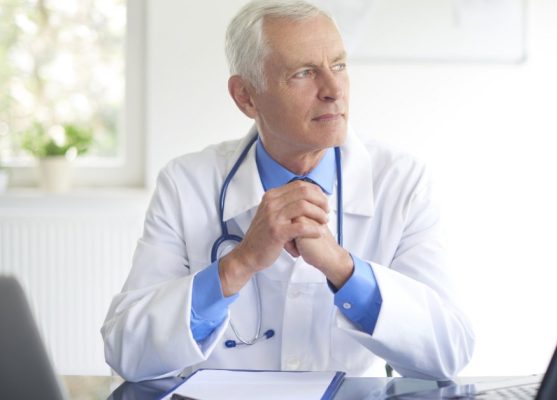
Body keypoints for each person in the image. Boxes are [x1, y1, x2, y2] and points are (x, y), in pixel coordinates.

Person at [101, 0, 475, 383]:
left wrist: (344, 270)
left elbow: (448, 353)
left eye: (340, 65)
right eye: (304, 73)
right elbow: (128, 353)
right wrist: (240, 263)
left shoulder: (401, 182)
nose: (333, 90)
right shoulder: (186, 184)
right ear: (246, 96)